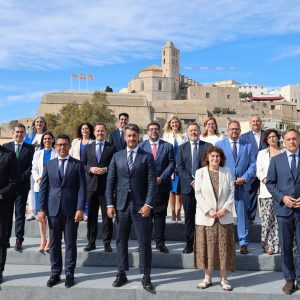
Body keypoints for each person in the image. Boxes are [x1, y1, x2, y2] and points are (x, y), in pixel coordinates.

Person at [106, 124, 157, 292]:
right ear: (125, 137)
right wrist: (110, 204)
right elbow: (110, 182)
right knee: (121, 241)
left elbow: (151, 183)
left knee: (144, 242)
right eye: (129, 136)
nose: (132, 138)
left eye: (134, 135)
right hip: (121, 206)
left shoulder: (147, 157)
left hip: (141, 206)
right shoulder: (116, 156)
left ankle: (146, 275)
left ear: (138, 137)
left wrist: (148, 204)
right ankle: (121, 272)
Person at [38, 133, 87, 288]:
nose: (62, 147)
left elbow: (82, 189)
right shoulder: (49, 165)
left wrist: (80, 208)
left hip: (72, 210)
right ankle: (55, 273)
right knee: (54, 244)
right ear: (55, 146)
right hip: (53, 210)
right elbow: (44, 188)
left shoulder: (77, 165)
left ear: (69, 146)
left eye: (65, 144)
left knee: (70, 243)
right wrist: (41, 209)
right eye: (59, 144)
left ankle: (69, 273)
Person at [194, 146, 235, 291]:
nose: (215, 159)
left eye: (217, 156)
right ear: (207, 158)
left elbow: (231, 192)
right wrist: (209, 210)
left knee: (224, 248)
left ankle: (224, 279)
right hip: (206, 217)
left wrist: (225, 208)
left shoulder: (227, 172)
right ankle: (207, 278)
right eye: (212, 156)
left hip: (224, 216)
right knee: (208, 248)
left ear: (221, 158)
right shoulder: (200, 173)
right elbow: (198, 194)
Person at [266, 129, 300, 294]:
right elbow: (270, 183)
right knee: (286, 247)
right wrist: (283, 198)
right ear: (284, 142)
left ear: (299, 140)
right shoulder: (276, 160)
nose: (292, 142)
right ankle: (289, 279)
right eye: (288, 139)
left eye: (294, 139)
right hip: (284, 209)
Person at [216, 120, 256, 254]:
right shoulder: (219, 145)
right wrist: (226, 178)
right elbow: (216, 164)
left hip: (242, 184)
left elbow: (253, 165)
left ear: (240, 131)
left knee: (242, 215)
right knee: (222, 213)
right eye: (232, 129)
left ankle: (243, 242)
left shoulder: (248, 145)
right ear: (227, 131)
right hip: (225, 185)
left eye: (237, 129)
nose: (234, 131)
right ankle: (223, 241)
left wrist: (245, 177)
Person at [139, 122, 175, 253]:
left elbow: (172, 164)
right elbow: (138, 165)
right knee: (145, 215)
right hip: (145, 187)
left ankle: (160, 243)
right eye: (151, 129)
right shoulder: (141, 146)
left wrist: (161, 178)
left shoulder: (168, 146)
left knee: (160, 215)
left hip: (162, 186)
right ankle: (144, 243)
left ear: (159, 131)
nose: (154, 131)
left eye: (156, 129)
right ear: (147, 131)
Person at [177, 122, 212, 254]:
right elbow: (180, 167)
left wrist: (200, 181)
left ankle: (203, 244)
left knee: (204, 217)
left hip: (204, 189)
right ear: (187, 133)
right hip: (187, 188)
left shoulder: (208, 147)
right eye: (191, 131)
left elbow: (210, 165)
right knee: (189, 217)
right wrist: (192, 181)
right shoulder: (181, 148)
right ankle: (189, 244)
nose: (193, 133)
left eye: (195, 130)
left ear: (199, 131)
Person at [81, 123, 116, 252]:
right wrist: (90, 168)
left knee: (108, 217)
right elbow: (82, 165)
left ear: (105, 132)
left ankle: (107, 242)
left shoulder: (111, 148)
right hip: (91, 187)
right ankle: (91, 241)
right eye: (97, 131)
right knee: (91, 216)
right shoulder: (88, 148)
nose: (100, 133)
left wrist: (106, 169)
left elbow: (115, 164)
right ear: (94, 133)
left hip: (106, 187)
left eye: (102, 131)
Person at [4, 124, 35, 251]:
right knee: (6, 214)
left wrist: (20, 179)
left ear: (24, 134)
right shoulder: (6, 147)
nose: (19, 134)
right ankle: (5, 239)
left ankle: (19, 239)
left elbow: (30, 167)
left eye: (22, 132)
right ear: (13, 133)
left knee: (20, 213)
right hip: (8, 187)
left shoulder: (30, 148)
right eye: (17, 132)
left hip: (22, 186)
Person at [256, 129, 282, 255]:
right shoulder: (262, 153)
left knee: (278, 220)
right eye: (269, 137)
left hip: (281, 192)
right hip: (266, 191)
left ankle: (277, 246)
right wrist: (266, 180)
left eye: (274, 136)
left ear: (278, 138)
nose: (272, 139)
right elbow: (259, 171)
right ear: (266, 140)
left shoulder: (284, 152)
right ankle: (267, 245)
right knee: (267, 220)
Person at [31, 131, 57, 252]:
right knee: (41, 216)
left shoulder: (56, 154)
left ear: (53, 140)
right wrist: (38, 178)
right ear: (42, 141)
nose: (47, 140)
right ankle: (43, 239)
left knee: (52, 214)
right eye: (45, 139)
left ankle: (51, 239)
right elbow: (34, 168)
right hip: (40, 187)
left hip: (53, 188)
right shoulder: (37, 153)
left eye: (49, 138)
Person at [240, 115, 266, 224]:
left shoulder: (267, 135)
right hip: (251, 171)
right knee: (251, 195)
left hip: (265, 171)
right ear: (250, 123)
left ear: (261, 122)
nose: (255, 123)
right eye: (253, 121)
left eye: (257, 121)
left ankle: (266, 219)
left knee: (266, 195)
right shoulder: (244, 137)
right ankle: (250, 218)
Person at [0, 145, 20, 284]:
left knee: (1, 238)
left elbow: (15, 180)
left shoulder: (9, 155)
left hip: (2, 203)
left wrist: (1, 194)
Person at [162, 115, 186, 223]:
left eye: (176, 122)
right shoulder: (166, 135)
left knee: (179, 191)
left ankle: (179, 213)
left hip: (180, 166)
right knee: (171, 191)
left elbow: (185, 151)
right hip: (170, 166)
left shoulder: (184, 136)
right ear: (169, 124)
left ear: (179, 124)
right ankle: (172, 213)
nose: (174, 124)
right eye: (172, 123)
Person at [69, 122, 94, 221]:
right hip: (76, 169)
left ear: (90, 130)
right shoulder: (75, 141)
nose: (84, 130)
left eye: (86, 128)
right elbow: (70, 154)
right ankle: (78, 211)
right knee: (76, 191)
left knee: (86, 192)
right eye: (83, 129)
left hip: (88, 170)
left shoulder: (93, 142)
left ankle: (86, 212)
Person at [25, 116, 48, 221]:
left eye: (41, 122)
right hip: (31, 164)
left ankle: (42, 210)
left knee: (43, 187)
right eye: (37, 122)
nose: (39, 123)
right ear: (34, 124)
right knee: (31, 188)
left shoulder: (47, 135)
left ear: (44, 124)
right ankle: (32, 211)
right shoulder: (29, 136)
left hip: (43, 164)